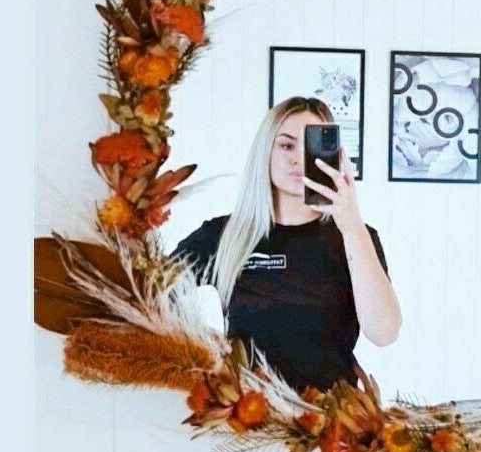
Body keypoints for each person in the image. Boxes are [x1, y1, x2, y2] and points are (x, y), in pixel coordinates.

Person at [171, 97, 401, 391]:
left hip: (332, 415)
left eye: (311, 147)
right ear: (265, 151)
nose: (298, 159)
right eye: (287, 145)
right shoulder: (225, 236)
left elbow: (384, 332)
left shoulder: (354, 237)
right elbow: (146, 296)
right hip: (250, 414)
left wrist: (351, 221)